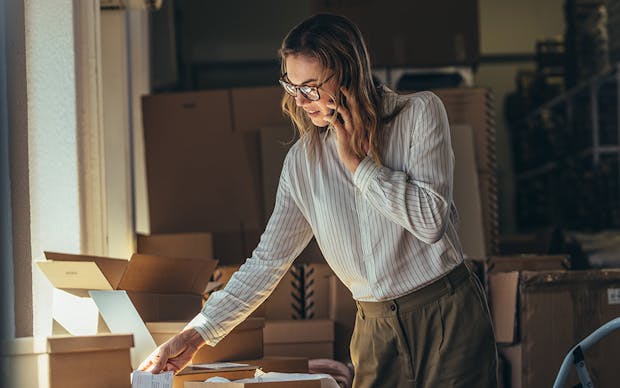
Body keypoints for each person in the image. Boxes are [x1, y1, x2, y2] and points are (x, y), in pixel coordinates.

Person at [139, 13, 498, 387]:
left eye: (310, 87)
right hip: (376, 332)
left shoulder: (419, 114)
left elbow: (431, 222)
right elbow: (267, 263)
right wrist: (195, 335)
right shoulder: (302, 164)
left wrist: (359, 166)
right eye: (292, 86)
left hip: (448, 315)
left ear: (348, 73)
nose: (300, 100)